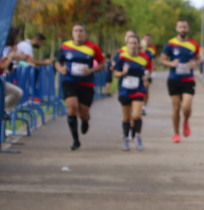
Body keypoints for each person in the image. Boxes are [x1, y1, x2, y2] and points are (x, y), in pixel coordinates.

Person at [55, 23, 107, 151]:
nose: (78, 33)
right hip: (69, 81)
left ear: (85, 33)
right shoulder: (65, 46)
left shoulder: (93, 47)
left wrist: (91, 70)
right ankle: (75, 140)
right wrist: (60, 68)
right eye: (76, 31)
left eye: (81, 31)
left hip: (86, 84)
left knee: (83, 114)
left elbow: (102, 64)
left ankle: (85, 120)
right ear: (72, 33)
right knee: (71, 108)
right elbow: (57, 62)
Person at [160, 19, 200, 143]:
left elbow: (198, 59)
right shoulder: (170, 44)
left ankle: (186, 121)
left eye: (185, 27)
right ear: (177, 29)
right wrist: (171, 63)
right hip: (174, 79)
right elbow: (162, 60)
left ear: (187, 29)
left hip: (188, 79)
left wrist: (195, 63)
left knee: (186, 107)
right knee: (176, 108)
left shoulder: (194, 44)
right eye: (180, 27)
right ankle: (176, 133)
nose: (183, 29)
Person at [113, 34, 153, 151]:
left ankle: (137, 136)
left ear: (138, 45)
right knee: (126, 118)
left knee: (136, 115)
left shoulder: (144, 57)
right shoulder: (121, 57)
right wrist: (122, 73)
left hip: (138, 89)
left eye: (135, 43)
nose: (133, 45)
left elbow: (149, 69)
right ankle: (126, 139)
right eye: (130, 43)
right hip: (125, 89)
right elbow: (115, 73)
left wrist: (146, 76)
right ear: (127, 45)